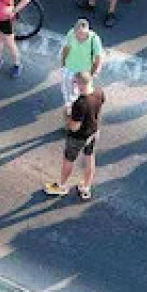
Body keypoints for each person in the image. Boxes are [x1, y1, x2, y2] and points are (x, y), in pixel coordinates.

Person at [43, 71, 105, 200]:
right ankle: (86, 187)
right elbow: (98, 111)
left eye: (75, 82)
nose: (73, 84)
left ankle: (61, 186)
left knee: (68, 160)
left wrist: (68, 114)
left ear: (80, 84)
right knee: (89, 158)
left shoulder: (80, 103)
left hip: (78, 137)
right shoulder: (99, 93)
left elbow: (74, 126)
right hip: (93, 132)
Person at [59, 19, 104, 109]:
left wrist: (92, 73)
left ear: (87, 31)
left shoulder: (94, 39)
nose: (78, 37)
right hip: (70, 66)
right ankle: (70, 103)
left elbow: (98, 58)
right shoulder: (71, 33)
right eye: (77, 34)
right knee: (67, 86)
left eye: (81, 34)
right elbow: (66, 48)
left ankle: (83, 105)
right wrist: (63, 61)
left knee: (85, 90)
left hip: (85, 70)